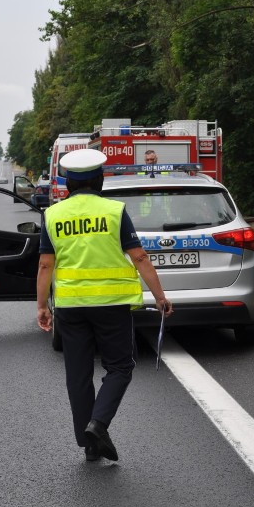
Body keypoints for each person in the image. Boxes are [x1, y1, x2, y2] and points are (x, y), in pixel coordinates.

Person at [36, 149, 173, 463]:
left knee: (78, 374)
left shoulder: (53, 214)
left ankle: (90, 446)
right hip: (112, 305)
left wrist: (42, 306)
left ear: (67, 182)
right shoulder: (114, 211)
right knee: (120, 367)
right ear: (100, 179)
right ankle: (98, 425)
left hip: (70, 306)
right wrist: (160, 296)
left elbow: (45, 265)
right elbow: (139, 257)